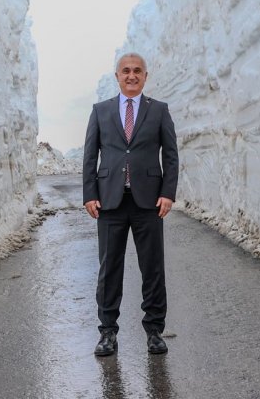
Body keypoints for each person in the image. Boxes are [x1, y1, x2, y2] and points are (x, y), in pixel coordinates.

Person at [82, 52, 179, 357]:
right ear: (117, 76)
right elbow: (89, 156)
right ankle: (108, 333)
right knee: (109, 268)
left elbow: (171, 155)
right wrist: (89, 193)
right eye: (126, 71)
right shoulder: (100, 111)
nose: (132, 75)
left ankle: (154, 331)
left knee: (152, 268)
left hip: (148, 202)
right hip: (110, 201)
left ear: (145, 76)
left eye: (137, 71)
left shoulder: (159, 110)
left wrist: (168, 192)